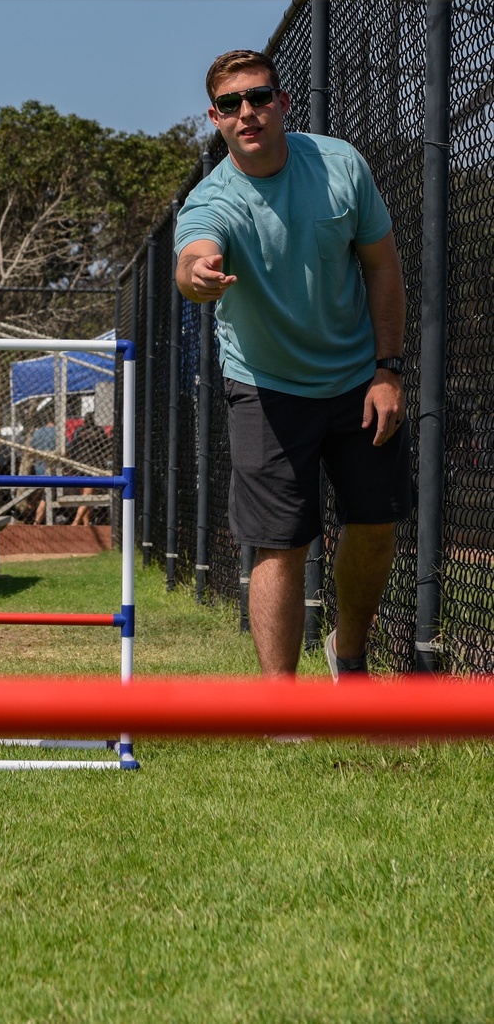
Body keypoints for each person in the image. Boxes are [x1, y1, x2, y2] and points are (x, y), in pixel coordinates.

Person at [175, 48, 411, 680]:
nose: (246, 112)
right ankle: (282, 703)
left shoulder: (339, 165)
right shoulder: (211, 198)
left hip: (360, 375)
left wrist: (389, 369)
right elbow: (195, 253)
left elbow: (383, 266)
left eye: (258, 98)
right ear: (215, 119)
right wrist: (198, 273)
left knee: (376, 524)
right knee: (282, 541)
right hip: (265, 384)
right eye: (230, 105)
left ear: (282, 103)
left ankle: (349, 655)